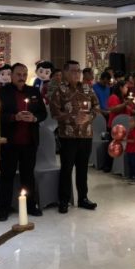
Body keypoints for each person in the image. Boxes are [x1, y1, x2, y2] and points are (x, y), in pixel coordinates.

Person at [0, 63, 47, 221]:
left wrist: (34, 118)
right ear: (11, 75)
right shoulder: (3, 92)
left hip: (29, 141)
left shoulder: (33, 92)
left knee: (28, 176)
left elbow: (43, 113)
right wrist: (14, 117)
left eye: (24, 74)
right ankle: (3, 208)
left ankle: (30, 206)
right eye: (18, 74)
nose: (22, 77)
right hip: (10, 141)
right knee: (7, 175)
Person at [48, 60, 99, 212]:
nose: (76, 73)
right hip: (68, 136)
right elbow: (55, 113)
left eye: (78, 71)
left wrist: (89, 117)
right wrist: (72, 118)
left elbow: (96, 107)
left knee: (83, 169)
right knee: (67, 168)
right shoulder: (59, 90)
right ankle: (64, 200)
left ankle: (83, 198)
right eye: (73, 71)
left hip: (86, 134)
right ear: (65, 73)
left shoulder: (87, 88)